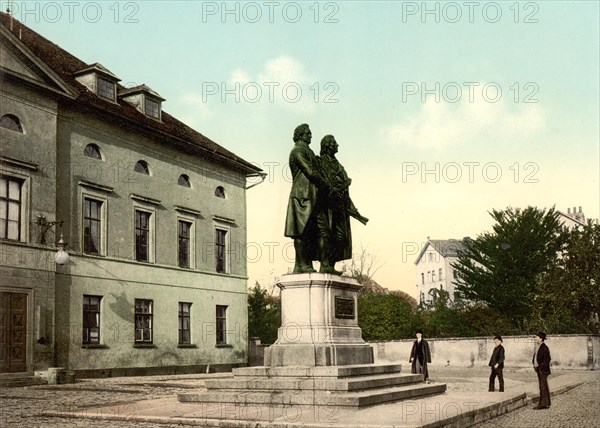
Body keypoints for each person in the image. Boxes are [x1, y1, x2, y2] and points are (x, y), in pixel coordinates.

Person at [315, 135, 368, 274]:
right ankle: (325, 264)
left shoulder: (339, 166)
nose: (337, 145)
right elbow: (321, 183)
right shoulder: (320, 162)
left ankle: (330, 265)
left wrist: (354, 209)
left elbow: (345, 192)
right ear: (327, 146)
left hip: (340, 207)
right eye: (334, 143)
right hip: (326, 206)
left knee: (341, 237)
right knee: (327, 235)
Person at [284, 124, 325, 273]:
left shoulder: (308, 151)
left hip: (310, 195)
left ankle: (305, 264)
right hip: (302, 195)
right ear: (300, 135)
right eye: (308, 133)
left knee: (309, 232)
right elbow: (310, 172)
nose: (311, 136)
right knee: (301, 231)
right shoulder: (298, 151)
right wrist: (325, 181)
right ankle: (301, 265)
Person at [532, 331, 551, 409]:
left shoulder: (544, 347)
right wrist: (534, 364)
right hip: (539, 369)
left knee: (542, 387)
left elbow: (547, 359)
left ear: (541, 338)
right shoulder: (537, 346)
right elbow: (535, 357)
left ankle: (542, 404)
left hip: (543, 370)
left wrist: (540, 367)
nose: (535, 338)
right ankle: (546, 403)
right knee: (543, 386)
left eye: (536, 337)